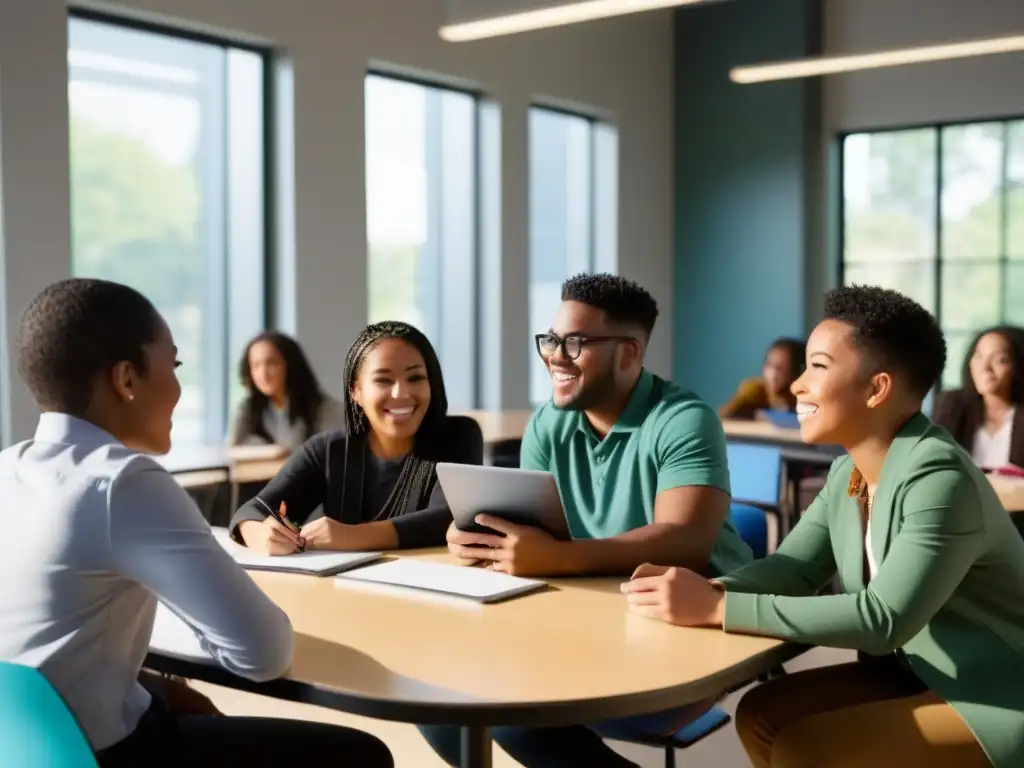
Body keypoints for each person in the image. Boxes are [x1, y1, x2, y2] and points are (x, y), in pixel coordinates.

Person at [622, 285, 1024, 768]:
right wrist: (699, 589)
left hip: (995, 690)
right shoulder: (847, 473)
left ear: (877, 389)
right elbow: (792, 569)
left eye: (817, 366)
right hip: (916, 670)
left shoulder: (939, 476)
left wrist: (717, 607)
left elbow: (884, 620)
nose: (796, 384)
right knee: (763, 712)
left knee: (806, 746)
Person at [0, 278, 393, 767]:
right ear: (126, 380)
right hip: (113, 753)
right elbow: (262, 654)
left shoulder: (7, 469)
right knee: (362, 754)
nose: (180, 386)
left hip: (32, 750)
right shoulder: (123, 482)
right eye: (174, 365)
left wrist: (156, 686)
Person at [422, 273, 752, 767]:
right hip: (588, 614)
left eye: (576, 343)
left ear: (630, 354)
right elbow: (531, 531)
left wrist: (556, 557)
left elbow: (687, 543)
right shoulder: (548, 422)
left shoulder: (684, 418)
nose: (555, 355)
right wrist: (481, 534)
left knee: (514, 710)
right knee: (440, 698)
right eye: (552, 339)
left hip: (688, 620)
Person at [230, 321, 483, 554]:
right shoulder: (327, 449)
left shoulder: (459, 436)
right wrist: (258, 533)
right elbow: (252, 511)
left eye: (415, 378)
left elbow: (448, 517)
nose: (401, 392)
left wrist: (352, 536)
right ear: (356, 391)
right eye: (383, 380)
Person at [227, 330, 345, 450]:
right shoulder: (248, 408)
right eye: (256, 365)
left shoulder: (322, 408)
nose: (263, 374)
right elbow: (233, 450)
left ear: (290, 364)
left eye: (272, 363)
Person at [933, 325, 1024, 470]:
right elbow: (933, 465)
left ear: (1018, 365)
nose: (985, 368)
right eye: (979, 356)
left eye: (1000, 360)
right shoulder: (952, 405)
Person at [719, 337, 806, 420]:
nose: (773, 374)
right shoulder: (754, 391)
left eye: (780, 368)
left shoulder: (804, 396)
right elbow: (724, 417)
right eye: (768, 364)